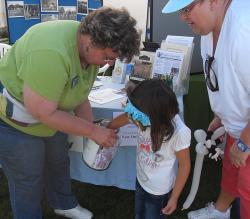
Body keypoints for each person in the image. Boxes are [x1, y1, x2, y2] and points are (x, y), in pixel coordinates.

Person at [0, 7, 140, 219]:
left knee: (59, 160)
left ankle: (63, 204)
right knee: (27, 177)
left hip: (51, 114)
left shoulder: (89, 51)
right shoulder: (50, 52)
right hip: (18, 120)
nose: (108, 64)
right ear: (91, 41)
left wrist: (92, 130)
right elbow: (42, 112)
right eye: (107, 57)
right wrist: (92, 131)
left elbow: (80, 94)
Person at [162, 0, 250, 219]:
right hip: (238, 125)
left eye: (187, 8)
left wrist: (244, 142)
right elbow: (220, 75)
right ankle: (221, 211)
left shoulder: (244, 31)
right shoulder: (208, 30)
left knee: (247, 190)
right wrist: (220, 115)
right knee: (231, 172)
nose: (182, 17)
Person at [108, 79, 191, 219]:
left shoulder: (180, 132)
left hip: (159, 191)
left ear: (156, 115)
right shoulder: (143, 112)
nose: (135, 120)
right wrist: (108, 129)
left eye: (138, 116)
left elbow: (184, 165)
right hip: (141, 179)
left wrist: (174, 197)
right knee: (139, 214)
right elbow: (127, 117)